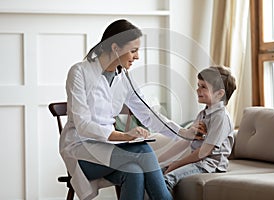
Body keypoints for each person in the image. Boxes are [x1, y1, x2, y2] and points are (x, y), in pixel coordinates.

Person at [59, 19, 204, 200]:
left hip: (110, 149)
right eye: (133, 50)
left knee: (134, 171)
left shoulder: (124, 78)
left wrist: (183, 132)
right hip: (81, 150)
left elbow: (149, 114)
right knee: (142, 150)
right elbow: (83, 125)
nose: (137, 56)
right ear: (115, 48)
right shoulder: (80, 72)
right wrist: (124, 136)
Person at [163, 65, 237, 194]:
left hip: (209, 165)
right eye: (198, 85)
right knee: (153, 173)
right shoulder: (203, 114)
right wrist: (159, 160)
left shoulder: (221, 117)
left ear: (220, 93)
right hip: (199, 162)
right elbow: (186, 141)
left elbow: (203, 153)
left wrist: (176, 164)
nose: (197, 90)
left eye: (203, 87)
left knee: (166, 179)